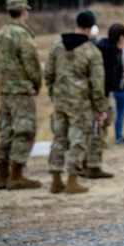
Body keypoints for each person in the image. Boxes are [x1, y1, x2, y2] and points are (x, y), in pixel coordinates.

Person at [45, 10, 108, 194]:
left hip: (60, 101)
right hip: (81, 104)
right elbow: (97, 84)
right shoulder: (91, 51)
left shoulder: (57, 46)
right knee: (78, 140)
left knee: (59, 137)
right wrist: (100, 108)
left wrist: (54, 94)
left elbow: (48, 74)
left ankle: (56, 179)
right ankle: (72, 180)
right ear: (91, 27)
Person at [0, 0, 43, 190]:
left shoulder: (1, 33)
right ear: (24, 12)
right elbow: (31, 63)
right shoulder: (22, 34)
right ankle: (16, 175)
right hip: (21, 90)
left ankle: (3, 175)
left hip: (6, 90)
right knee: (25, 130)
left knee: (7, 131)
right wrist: (37, 83)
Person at [86, 23, 124, 179]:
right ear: (121, 37)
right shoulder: (108, 53)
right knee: (98, 127)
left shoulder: (103, 47)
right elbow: (104, 78)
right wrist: (100, 102)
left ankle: (87, 163)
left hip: (98, 93)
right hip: (100, 94)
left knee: (95, 127)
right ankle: (93, 166)